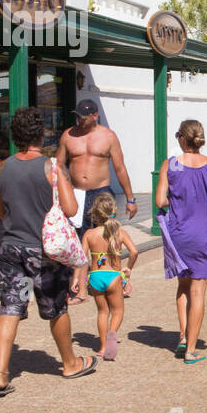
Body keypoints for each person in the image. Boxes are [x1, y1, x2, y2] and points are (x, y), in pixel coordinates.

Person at [0, 106, 97, 397]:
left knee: (10, 309)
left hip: (11, 248)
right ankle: (70, 363)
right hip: (43, 251)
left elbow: (0, 211)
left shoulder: (2, 168)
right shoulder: (52, 167)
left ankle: (0, 374)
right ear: (42, 133)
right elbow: (72, 209)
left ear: (14, 135)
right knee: (55, 309)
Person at [155, 119, 207, 364]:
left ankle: (183, 337)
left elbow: (160, 201)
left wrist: (178, 201)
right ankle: (191, 351)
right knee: (198, 291)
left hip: (179, 235)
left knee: (183, 286)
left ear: (181, 138)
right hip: (204, 236)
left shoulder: (171, 165)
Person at [57, 99, 137, 306]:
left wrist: (130, 198)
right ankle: (81, 289)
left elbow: (120, 168)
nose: (80, 120)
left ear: (94, 115)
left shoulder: (108, 136)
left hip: (101, 193)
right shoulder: (68, 135)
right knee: (79, 242)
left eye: (84, 117)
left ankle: (114, 279)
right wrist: (58, 193)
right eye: (78, 116)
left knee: (107, 240)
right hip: (76, 193)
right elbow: (58, 166)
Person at [81, 192, 139, 360]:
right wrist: (128, 268)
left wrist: (79, 279)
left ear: (95, 214)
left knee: (102, 312)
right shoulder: (119, 233)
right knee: (118, 311)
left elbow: (81, 258)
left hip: (96, 276)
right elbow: (134, 252)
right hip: (113, 275)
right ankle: (112, 334)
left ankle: (102, 346)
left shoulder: (89, 234)